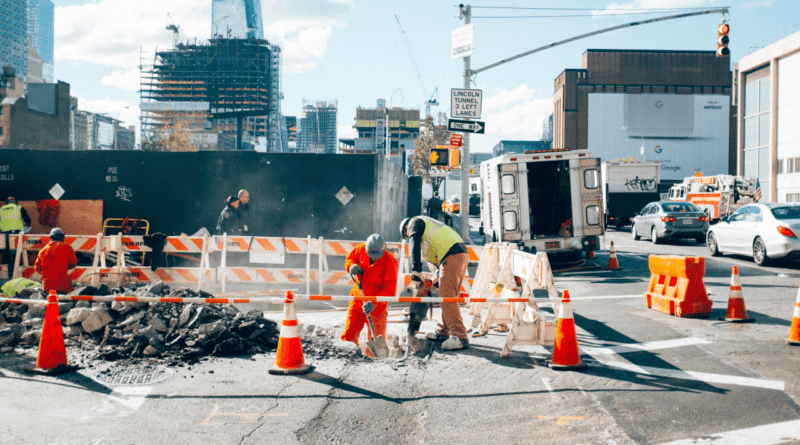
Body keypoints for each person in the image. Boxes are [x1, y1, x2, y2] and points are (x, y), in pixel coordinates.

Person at [400, 215, 470, 350]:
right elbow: (440, 252)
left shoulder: (414, 222)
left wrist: (416, 270)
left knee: (447, 296)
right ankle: (442, 331)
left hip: (452, 254)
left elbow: (414, 242)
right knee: (447, 295)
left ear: (406, 230)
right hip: (457, 253)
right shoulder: (429, 231)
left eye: (408, 235)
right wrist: (436, 277)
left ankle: (460, 337)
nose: (409, 237)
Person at [341, 234, 398, 356]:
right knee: (349, 334)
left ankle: (373, 363)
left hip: (377, 308)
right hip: (358, 300)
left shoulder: (390, 262)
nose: (374, 258)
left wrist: (374, 302)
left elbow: (390, 290)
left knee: (376, 342)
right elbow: (349, 259)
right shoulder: (360, 249)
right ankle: (347, 358)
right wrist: (351, 266)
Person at [34, 227, 78, 294]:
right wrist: (62, 267)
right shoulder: (67, 247)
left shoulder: (43, 250)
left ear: (51, 238)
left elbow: (37, 268)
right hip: (64, 285)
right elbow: (73, 263)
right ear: (62, 237)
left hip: (47, 286)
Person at [1, 197, 32, 278]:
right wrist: (27, 227)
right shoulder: (19, 208)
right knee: (14, 253)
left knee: (5, 252)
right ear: (15, 202)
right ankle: (13, 275)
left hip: (3, 234)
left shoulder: (1, 209)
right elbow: (28, 220)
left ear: (7, 202)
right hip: (15, 234)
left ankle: (5, 274)